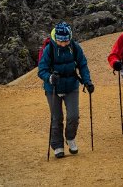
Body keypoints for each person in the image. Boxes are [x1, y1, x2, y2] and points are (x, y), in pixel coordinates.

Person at [38, 21, 94, 159]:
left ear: (70, 37)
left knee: (73, 116)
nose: (63, 44)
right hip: (53, 88)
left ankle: (70, 138)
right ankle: (57, 146)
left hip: (71, 86)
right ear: (55, 38)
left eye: (66, 41)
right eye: (60, 41)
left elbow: (83, 65)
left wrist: (87, 81)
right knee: (57, 118)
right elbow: (41, 70)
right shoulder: (49, 49)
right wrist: (50, 78)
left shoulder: (75, 47)